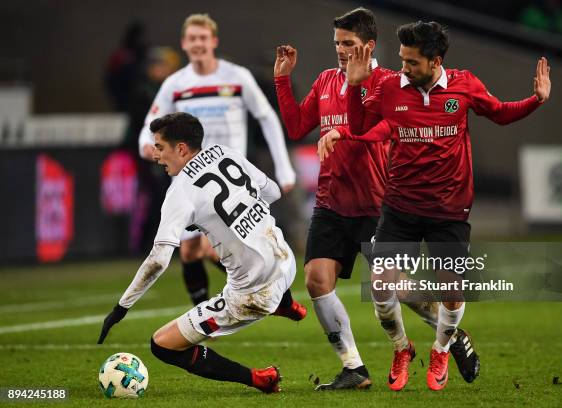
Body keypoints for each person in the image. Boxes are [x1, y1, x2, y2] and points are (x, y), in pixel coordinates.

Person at [337, 20, 551, 391]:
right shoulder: (388, 87)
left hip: (449, 211)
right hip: (400, 206)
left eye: (412, 62)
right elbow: (358, 127)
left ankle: (441, 349)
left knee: (452, 293)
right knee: (381, 288)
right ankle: (402, 348)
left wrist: (536, 100)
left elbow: (499, 112)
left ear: (436, 61)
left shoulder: (465, 85)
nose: (404, 67)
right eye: (402, 59)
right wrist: (354, 88)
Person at [275, 8, 478, 391]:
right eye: (337, 43)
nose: (341, 50)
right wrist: (283, 80)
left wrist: (346, 133)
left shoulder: (392, 84)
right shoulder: (324, 82)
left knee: (396, 288)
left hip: (377, 203)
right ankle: (354, 367)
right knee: (317, 280)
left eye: (349, 44)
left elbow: (388, 129)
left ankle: (451, 335)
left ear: (369, 46)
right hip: (331, 202)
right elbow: (298, 126)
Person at [98, 112, 299, 393]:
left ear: (181, 148)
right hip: (287, 263)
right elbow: (274, 192)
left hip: (252, 294)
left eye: (159, 147)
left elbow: (158, 260)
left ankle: (259, 378)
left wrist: (122, 307)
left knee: (162, 345)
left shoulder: (180, 192)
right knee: (260, 251)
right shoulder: (223, 152)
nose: (156, 155)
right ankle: (287, 304)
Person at [138, 14, 301, 317]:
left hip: (229, 184)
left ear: (213, 41)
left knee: (218, 248)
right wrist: (145, 145)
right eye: (192, 38)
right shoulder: (176, 83)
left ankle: (274, 296)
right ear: (185, 43)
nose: (198, 43)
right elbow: (151, 120)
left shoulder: (236, 76)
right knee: (190, 250)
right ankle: (214, 312)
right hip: (190, 181)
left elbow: (266, 116)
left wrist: (284, 168)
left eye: (203, 38)